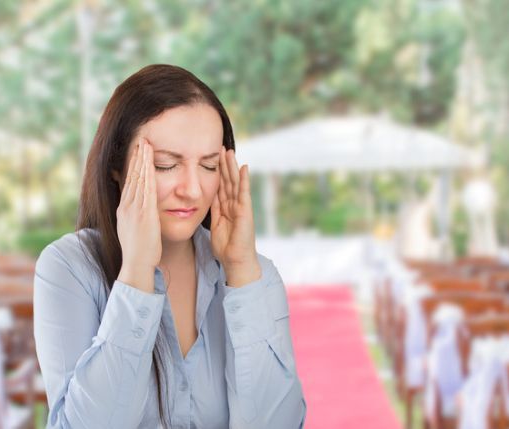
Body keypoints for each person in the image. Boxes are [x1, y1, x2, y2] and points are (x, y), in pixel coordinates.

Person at [33, 64, 307, 428]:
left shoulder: (258, 277)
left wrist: (241, 271)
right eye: (165, 165)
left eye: (209, 166)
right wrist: (136, 273)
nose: (192, 190)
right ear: (116, 167)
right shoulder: (68, 268)